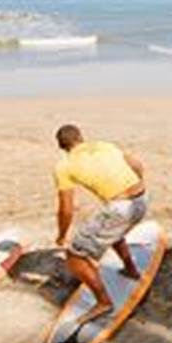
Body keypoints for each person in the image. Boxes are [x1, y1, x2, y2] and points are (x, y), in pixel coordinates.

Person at [52, 124, 149, 326]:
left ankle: (103, 303)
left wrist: (62, 235)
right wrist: (135, 188)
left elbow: (66, 209)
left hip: (120, 207)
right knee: (112, 229)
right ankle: (131, 270)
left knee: (74, 256)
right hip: (141, 199)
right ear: (81, 138)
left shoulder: (64, 165)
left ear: (62, 147)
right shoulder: (105, 145)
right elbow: (138, 165)